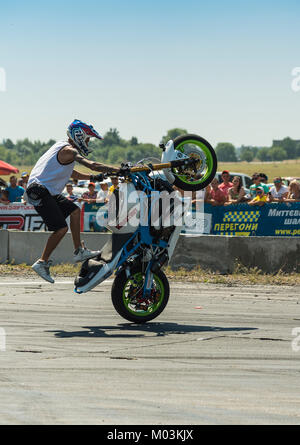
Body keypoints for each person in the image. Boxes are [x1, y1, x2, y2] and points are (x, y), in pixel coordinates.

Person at [26, 119, 119, 283]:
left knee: (75, 211)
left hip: (46, 191)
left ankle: (79, 251)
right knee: (61, 228)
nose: (88, 142)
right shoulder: (69, 151)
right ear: (79, 136)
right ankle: (42, 262)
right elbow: (92, 165)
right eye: (88, 139)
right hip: (39, 191)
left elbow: (71, 173)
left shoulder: (61, 147)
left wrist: (93, 178)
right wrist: (116, 170)